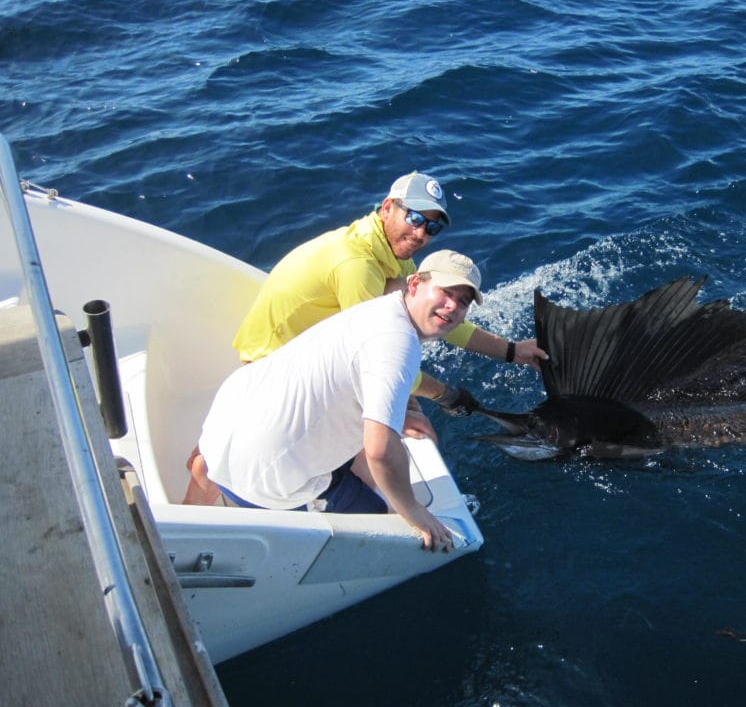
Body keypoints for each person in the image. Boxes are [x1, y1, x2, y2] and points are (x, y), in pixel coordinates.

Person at [183, 171, 546, 505]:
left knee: (388, 426)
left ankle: (211, 475)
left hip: (302, 354)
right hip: (276, 365)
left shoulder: (392, 252)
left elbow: (444, 318)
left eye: (432, 228)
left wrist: (512, 351)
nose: (421, 233)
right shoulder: (357, 264)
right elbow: (375, 356)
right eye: (415, 218)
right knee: (367, 440)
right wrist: (441, 396)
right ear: (388, 207)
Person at [194, 250, 487, 552]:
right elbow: (380, 450)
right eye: (445, 292)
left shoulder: (381, 307)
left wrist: (397, 413)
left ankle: (199, 489)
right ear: (413, 284)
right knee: (384, 524)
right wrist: (413, 511)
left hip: (221, 431)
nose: (452, 306)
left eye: (463, 301)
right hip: (260, 478)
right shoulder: (397, 345)